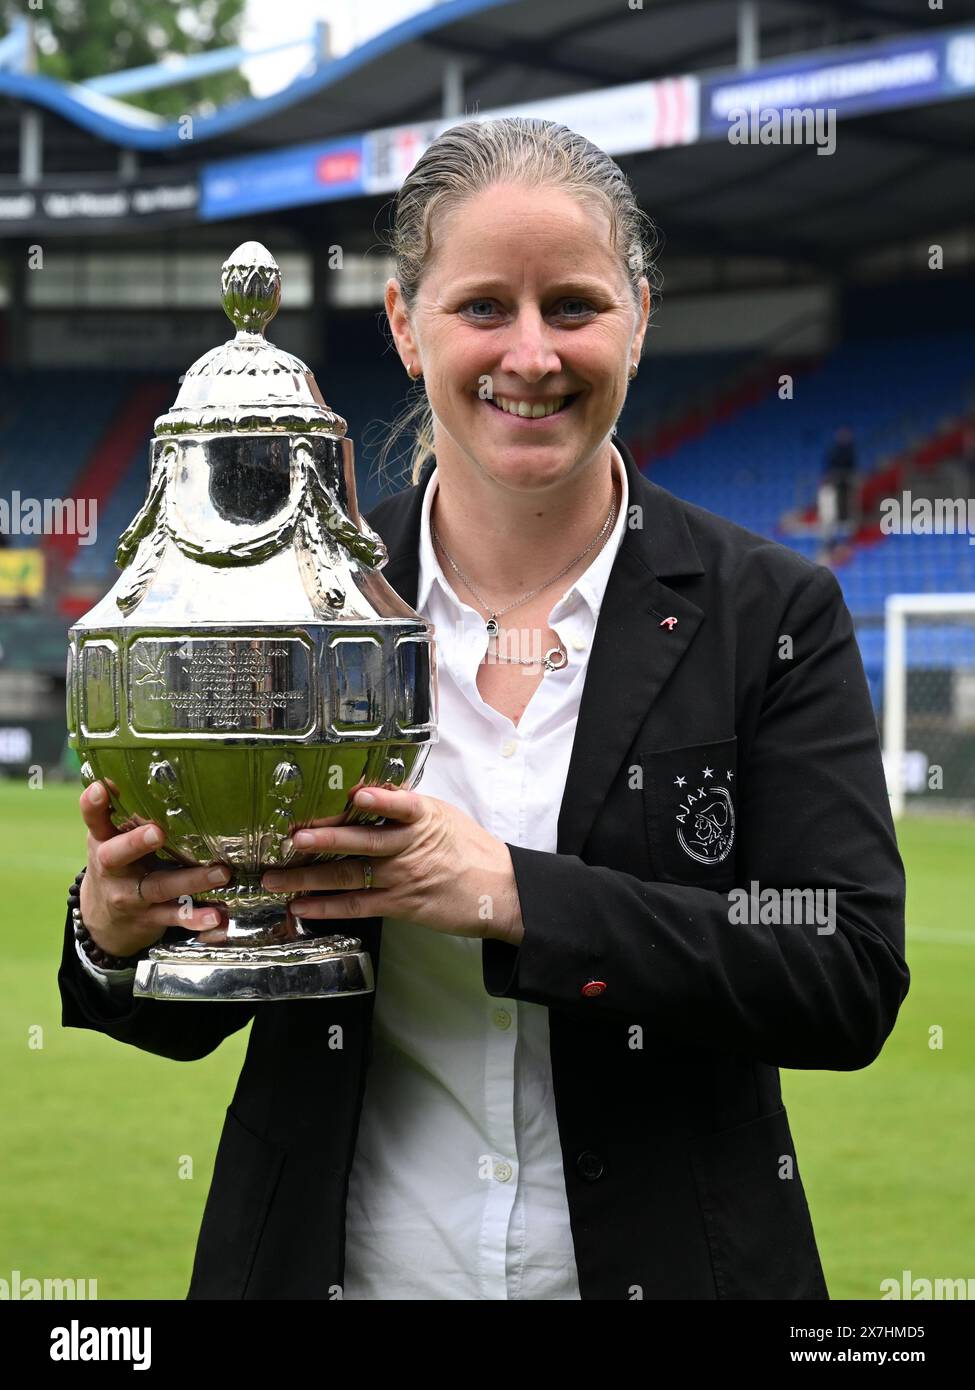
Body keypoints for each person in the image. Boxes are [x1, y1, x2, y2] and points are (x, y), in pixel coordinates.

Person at [58, 117, 908, 1301]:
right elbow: (203, 996)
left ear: (640, 317)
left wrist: (512, 895)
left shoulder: (771, 609)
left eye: (573, 306)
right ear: (406, 326)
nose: (531, 353)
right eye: (482, 309)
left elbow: (846, 977)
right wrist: (116, 928)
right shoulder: (290, 608)